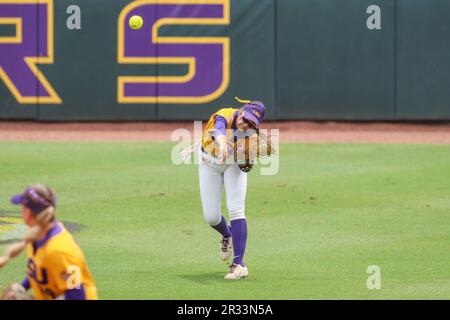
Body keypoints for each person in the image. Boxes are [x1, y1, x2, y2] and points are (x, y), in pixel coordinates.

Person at [199, 97, 265, 280]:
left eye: (252, 123)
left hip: (232, 166)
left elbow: (246, 165)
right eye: (246, 118)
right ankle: (227, 234)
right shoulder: (225, 115)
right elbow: (218, 130)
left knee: (236, 209)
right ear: (242, 110)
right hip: (208, 163)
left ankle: (239, 265)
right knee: (211, 217)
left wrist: (247, 158)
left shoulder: (252, 136)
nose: (246, 124)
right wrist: (222, 146)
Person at [0, 183, 98, 300]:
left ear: (29, 213)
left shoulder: (61, 251)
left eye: (23, 206)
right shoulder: (36, 236)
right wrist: (23, 287)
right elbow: (40, 270)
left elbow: (77, 293)